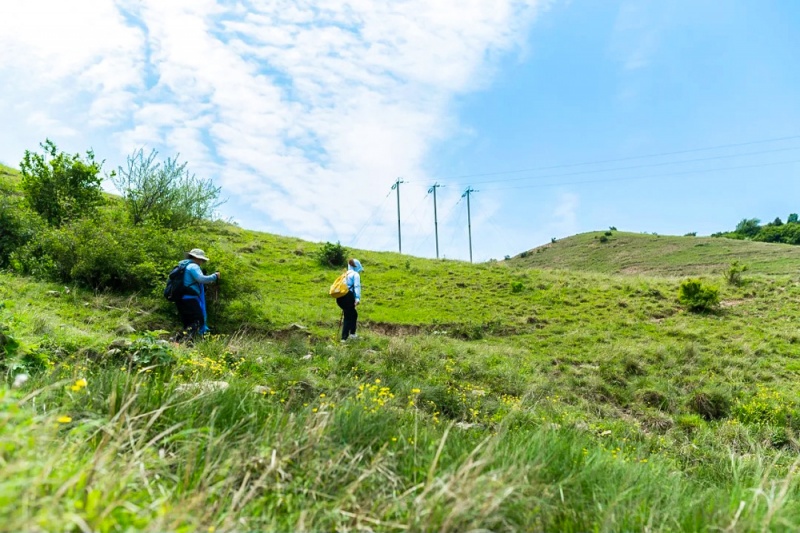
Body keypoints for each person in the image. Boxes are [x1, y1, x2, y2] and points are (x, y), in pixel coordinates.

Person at [175, 248, 220, 343]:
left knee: (188, 322)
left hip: (181, 298)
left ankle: (181, 342)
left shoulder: (184, 265)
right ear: (196, 258)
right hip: (190, 299)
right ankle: (183, 341)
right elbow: (201, 279)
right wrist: (214, 276)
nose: (202, 262)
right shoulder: (193, 266)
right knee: (198, 321)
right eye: (201, 260)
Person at [336, 258, 363, 342]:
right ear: (357, 266)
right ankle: (344, 338)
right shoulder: (355, 274)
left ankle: (352, 334)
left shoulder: (344, 274)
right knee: (348, 316)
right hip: (348, 296)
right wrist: (357, 298)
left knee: (353, 314)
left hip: (340, 297)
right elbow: (357, 286)